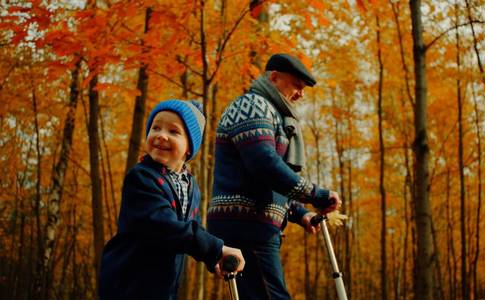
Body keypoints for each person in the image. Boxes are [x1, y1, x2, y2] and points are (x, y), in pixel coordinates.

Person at [207, 53, 342, 299]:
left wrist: (301, 213)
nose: (300, 94)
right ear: (274, 77)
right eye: (297, 86)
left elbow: (269, 180)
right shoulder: (251, 105)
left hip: (255, 224)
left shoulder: (275, 114)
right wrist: (316, 194)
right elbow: (264, 164)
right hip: (244, 224)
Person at [99, 100, 244, 300]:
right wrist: (215, 248)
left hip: (164, 286)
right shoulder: (141, 178)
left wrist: (214, 260)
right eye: (155, 127)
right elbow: (165, 226)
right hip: (128, 283)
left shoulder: (191, 186)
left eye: (174, 131)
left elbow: (192, 229)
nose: (161, 135)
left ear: (189, 148)